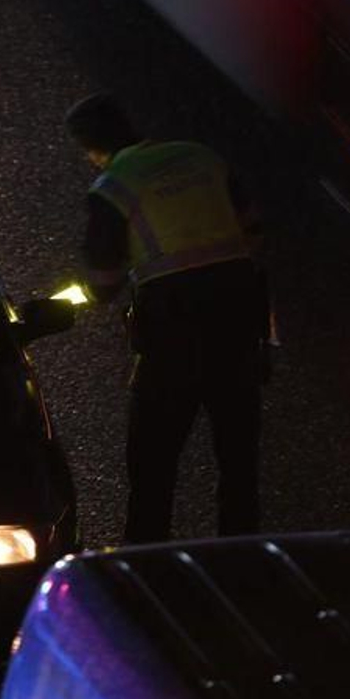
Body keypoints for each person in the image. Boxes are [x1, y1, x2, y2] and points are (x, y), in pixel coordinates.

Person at [66, 93, 269, 544]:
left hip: (172, 333)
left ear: (93, 149)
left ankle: (145, 562)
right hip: (237, 320)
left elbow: (103, 279)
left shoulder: (113, 186)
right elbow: (252, 227)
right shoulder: (200, 156)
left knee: (153, 461)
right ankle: (241, 561)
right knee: (238, 459)